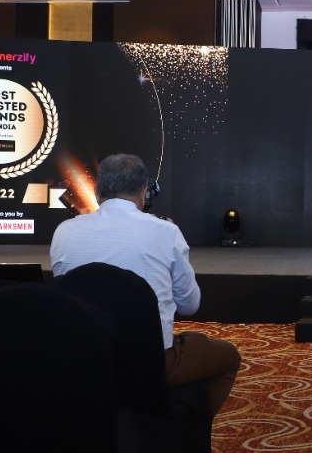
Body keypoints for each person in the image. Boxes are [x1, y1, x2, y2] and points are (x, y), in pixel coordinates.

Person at [50, 153, 240, 415]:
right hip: (151, 362)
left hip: (82, 359)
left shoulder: (64, 231)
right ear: (144, 192)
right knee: (228, 357)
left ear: (97, 191)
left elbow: (64, 299)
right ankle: (181, 430)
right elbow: (190, 305)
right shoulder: (166, 232)